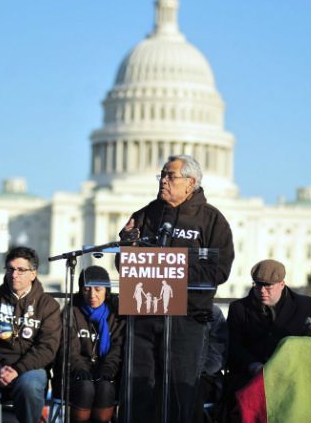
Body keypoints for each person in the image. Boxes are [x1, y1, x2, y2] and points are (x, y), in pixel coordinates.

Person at [117, 154, 235, 422]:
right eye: (162, 175)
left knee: (180, 392)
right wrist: (127, 246)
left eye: (171, 176)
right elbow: (124, 264)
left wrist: (171, 268)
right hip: (145, 318)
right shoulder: (146, 215)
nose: (163, 180)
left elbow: (220, 270)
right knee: (139, 389)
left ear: (190, 183)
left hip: (187, 319)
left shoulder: (212, 221)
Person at [0, 246, 62, 423]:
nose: (14, 274)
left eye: (21, 270)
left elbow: (47, 347)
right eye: (10, 269)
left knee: (30, 386)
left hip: (31, 369)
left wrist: (18, 370)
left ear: (33, 273)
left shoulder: (48, 305)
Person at [226, 259, 311, 392]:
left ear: (282, 284)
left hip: (294, 379)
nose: (262, 291)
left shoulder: (305, 305)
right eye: (257, 285)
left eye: (268, 286)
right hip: (249, 378)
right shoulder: (238, 308)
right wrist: (252, 365)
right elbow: (233, 346)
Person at [53, 266, 125, 423]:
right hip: (75, 373)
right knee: (85, 387)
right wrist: (79, 368)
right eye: (86, 289)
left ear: (106, 291)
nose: (92, 295)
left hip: (106, 371)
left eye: (98, 289)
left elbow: (117, 348)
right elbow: (68, 347)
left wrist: (108, 369)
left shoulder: (116, 315)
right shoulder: (71, 311)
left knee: (106, 387)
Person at [194, 304, 228, 423]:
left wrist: (199, 370)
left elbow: (218, 352)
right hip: (167, 373)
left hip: (203, 374)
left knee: (194, 396)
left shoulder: (213, 312)